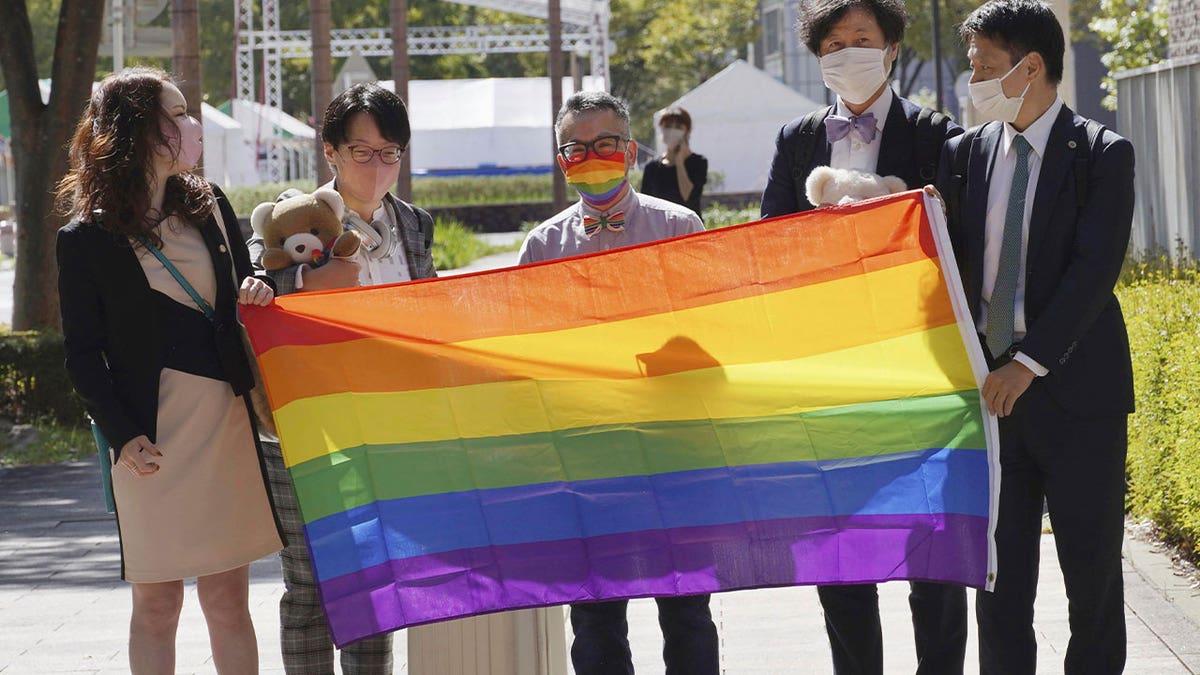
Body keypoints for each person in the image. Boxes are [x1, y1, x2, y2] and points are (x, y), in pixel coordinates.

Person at [759, 1, 969, 673]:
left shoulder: (938, 134)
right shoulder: (796, 140)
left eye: (862, 39)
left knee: (933, 549)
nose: (847, 53)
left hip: (921, 372)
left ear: (892, 48)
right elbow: (768, 247)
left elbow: (961, 243)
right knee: (841, 552)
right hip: (832, 378)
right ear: (818, 56)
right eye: (834, 43)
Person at [56, 67, 283, 674]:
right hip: (147, 442)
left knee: (228, 599)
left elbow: (240, 295)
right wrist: (122, 434)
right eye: (178, 114)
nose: (192, 125)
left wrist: (256, 287)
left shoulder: (210, 209)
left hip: (224, 425)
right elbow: (82, 353)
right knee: (158, 604)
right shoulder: (84, 239)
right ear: (138, 130)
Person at [937, 2, 1135, 672]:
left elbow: (1094, 270)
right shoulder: (963, 155)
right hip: (990, 403)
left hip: (1078, 397)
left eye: (986, 66)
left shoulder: (1102, 155)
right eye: (972, 66)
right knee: (998, 583)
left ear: (1032, 66)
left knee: (1093, 579)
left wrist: (1027, 361)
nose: (975, 80)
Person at [518, 91, 716, 675]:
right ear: (561, 160)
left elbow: (708, 335)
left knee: (686, 611)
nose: (592, 156)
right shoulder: (541, 247)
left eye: (605, 144)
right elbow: (529, 354)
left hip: (674, 449)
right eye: (576, 147)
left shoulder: (679, 225)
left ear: (630, 151)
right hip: (586, 455)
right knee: (596, 619)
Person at [247, 81, 437, 674]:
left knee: (376, 580)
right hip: (301, 426)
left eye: (390, 153)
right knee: (308, 585)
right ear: (330, 151)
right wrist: (297, 287)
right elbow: (260, 286)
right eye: (362, 151)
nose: (377, 166)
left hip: (385, 427)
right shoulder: (291, 215)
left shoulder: (414, 223)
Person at [640, 106, 707, 216]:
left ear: (687, 131)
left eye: (678, 127)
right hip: (661, 229)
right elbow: (646, 205)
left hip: (689, 228)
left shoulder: (698, 163)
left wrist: (679, 162)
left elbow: (688, 197)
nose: (672, 131)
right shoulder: (652, 168)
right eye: (668, 126)